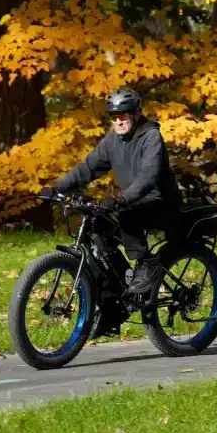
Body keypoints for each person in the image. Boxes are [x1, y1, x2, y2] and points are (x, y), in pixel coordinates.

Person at [40, 88, 181, 294]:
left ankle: (146, 263)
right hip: (133, 202)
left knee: (126, 215)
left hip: (161, 203)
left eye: (123, 116)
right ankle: (115, 287)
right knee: (99, 225)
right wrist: (56, 188)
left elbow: (148, 178)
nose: (118, 122)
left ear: (136, 113)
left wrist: (121, 199)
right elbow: (87, 168)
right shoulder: (112, 140)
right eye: (114, 117)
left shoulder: (151, 137)